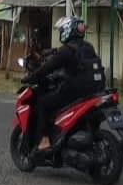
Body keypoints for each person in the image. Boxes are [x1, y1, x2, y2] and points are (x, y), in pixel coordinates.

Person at [21, 16, 107, 154]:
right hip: (95, 90)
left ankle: (44, 140)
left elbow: (48, 67)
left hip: (75, 91)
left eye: (61, 30)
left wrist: (32, 77)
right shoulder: (88, 47)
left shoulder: (67, 50)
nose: (60, 33)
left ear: (67, 31)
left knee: (43, 103)